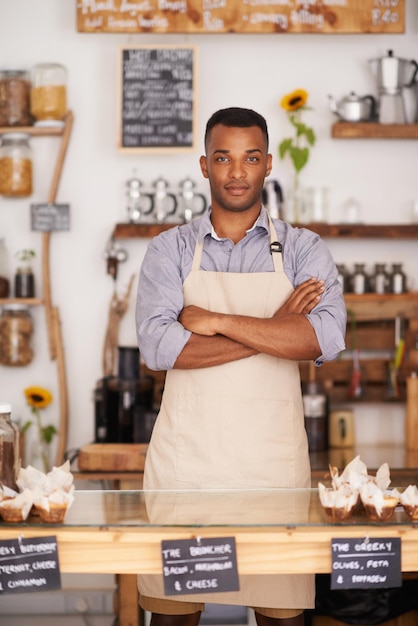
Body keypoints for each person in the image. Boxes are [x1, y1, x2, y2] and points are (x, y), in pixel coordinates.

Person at [136, 107, 346, 626]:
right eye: (223, 158)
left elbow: (325, 335)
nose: (237, 172)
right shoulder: (170, 249)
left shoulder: (303, 248)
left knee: (283, 617)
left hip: (272, 471)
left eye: (250, 158)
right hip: (186, 471)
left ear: (268, 164)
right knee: (173, 617)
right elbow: (161, 349)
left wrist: (214, 320)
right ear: (204, 165)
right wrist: (274, 326)